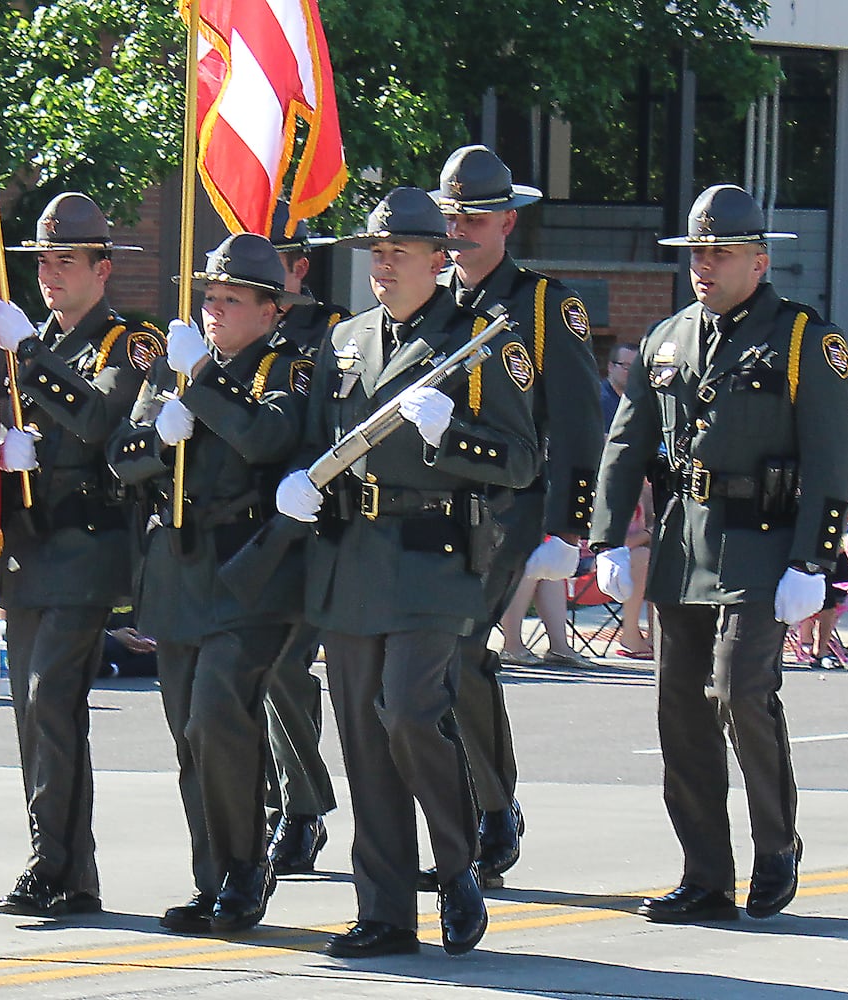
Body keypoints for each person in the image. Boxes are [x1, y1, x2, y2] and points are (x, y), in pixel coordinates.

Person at [274, 186, 539, 958]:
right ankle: (385, 911)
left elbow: (520, 461)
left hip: (433, 553)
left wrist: (450, 433)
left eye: (398, 253)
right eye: (375, 253)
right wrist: (299, 487)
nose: (382, 265)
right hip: (352, 553)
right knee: (362, 734)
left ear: (438, 259)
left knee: (411, 711)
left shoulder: (482, 340)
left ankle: (456, 866)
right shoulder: (346, 339)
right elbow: (316, 433)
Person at [590, 184, 848, 923]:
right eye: (696, 253)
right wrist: (607, 536)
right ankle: (705, 875)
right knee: (679, 712)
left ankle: (776, 846)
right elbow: (626, 443)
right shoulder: (666, 338)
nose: (703, 266)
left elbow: (834, 458)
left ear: (758, 260)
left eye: (720, 253)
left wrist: (816, 560)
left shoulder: (805, 339)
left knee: (740, 692)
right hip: (684, 543)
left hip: (765, 546)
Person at [108, 233, 311, 934]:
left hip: (249, 568)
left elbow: (267, 441)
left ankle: (248, 869)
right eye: (210, 297)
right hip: (180, 570)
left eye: (231, 299)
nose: (214, 310)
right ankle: (214, 877)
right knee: (188, 738)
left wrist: (202, 381)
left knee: (216, 715)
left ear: (270, 310)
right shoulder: (175, 367)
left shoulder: (287, 368)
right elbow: (121, 458)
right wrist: (160, 438)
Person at [430, 144, 603, 888]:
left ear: (507, 221)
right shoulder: (429, 299)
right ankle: (465, 816)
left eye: (475, 215)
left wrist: (568, 525)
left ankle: (490, 813)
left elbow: (577, 418)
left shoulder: (542, 304)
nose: (461, 228)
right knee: (429, 665)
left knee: (461, 652)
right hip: (434, 506)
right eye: (450, 215)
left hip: (509, 504)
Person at [0, 192, 164, 917]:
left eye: (66, 261)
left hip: (88, 549)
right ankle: (72, 872)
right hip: (30, 553)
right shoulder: (30, 348)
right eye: (42, 262)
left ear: (102, 268)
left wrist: (26, 355)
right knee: (33, 716)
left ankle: (49, 863)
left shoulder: (128, 343)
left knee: (48, 701)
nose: (50, 274)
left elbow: (98, 417)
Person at [260, 202, 346, 878]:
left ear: (300, 267)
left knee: (285, 667)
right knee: (253, 673)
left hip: (325, 526)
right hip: (251, 529)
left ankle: (301, 811)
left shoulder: (338, 334)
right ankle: (278, 806)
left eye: (274, 263)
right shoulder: (238, 329)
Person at [601, 341, 639, 430]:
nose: (632, 372)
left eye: (636, 367)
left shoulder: (638, 401)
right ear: (610, 367)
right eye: (626, 366)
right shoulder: (599, 401)